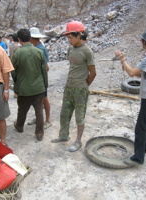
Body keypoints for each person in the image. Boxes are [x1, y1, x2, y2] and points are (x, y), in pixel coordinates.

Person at [115, 28, 146, 165]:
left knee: (140, 126)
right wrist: (125, 63)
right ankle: (145, 148)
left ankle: (138, 157)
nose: (141, 42)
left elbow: (131, 73)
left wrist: (122, 59)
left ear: (145, 42)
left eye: (142, 41)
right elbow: (138, 73)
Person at [51, 21, 96, 152]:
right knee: (64, 113)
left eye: (71, 37)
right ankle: (63, 135)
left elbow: (93, 73)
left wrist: (84, 85)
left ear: (79, 35)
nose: (68, 40)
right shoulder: (70, 49)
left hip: (80, 89)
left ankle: (78, 141)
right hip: (68, 86)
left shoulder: (87, 51)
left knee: (79, 116)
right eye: (67, 37)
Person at [11, 29, 48, 141]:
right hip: (38, 88)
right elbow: (44, 71)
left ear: (19, 39)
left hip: (24, 88)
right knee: (39, 111)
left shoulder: (17, 53)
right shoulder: (39, 52)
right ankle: (39, 133)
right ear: (30, 38)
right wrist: (45, 85)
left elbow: (13, 71)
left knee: (22, 109)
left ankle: (19, 126)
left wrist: (16, 85)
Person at [28, 27, 51, 129]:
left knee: (44, 99)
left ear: (32, 38)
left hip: (40, 80)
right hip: (36, 79)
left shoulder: (41, 49)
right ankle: (39, 117)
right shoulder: (36, 48)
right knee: (37, 100)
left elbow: (46, 67)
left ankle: (48, 120)